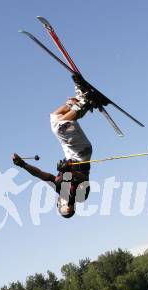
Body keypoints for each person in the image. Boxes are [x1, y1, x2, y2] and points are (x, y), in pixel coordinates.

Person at [13, 81, 93, 218]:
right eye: (69, 207)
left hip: (70, 154)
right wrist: (69, 170)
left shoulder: (58, 187)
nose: (66, 204)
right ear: (73, 207)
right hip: (81, 155)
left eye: (63, 206)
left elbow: (39, 174)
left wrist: (23, 165)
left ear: (58, 203)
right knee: (59, 127)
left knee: (55, 118)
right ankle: (85, 102)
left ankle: (77, 102)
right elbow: (83, 178)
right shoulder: (80, 196)